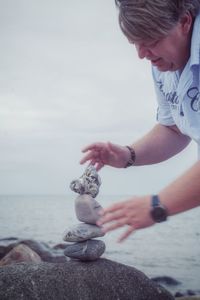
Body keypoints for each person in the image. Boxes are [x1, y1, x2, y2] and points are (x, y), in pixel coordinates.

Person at [80, 0, 200, 242]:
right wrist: (127, 155)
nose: (141, 55)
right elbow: (175, 128)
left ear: (185, 21)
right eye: (135, 43)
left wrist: (158, 204)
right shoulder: (164, 64)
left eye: (151, 42)